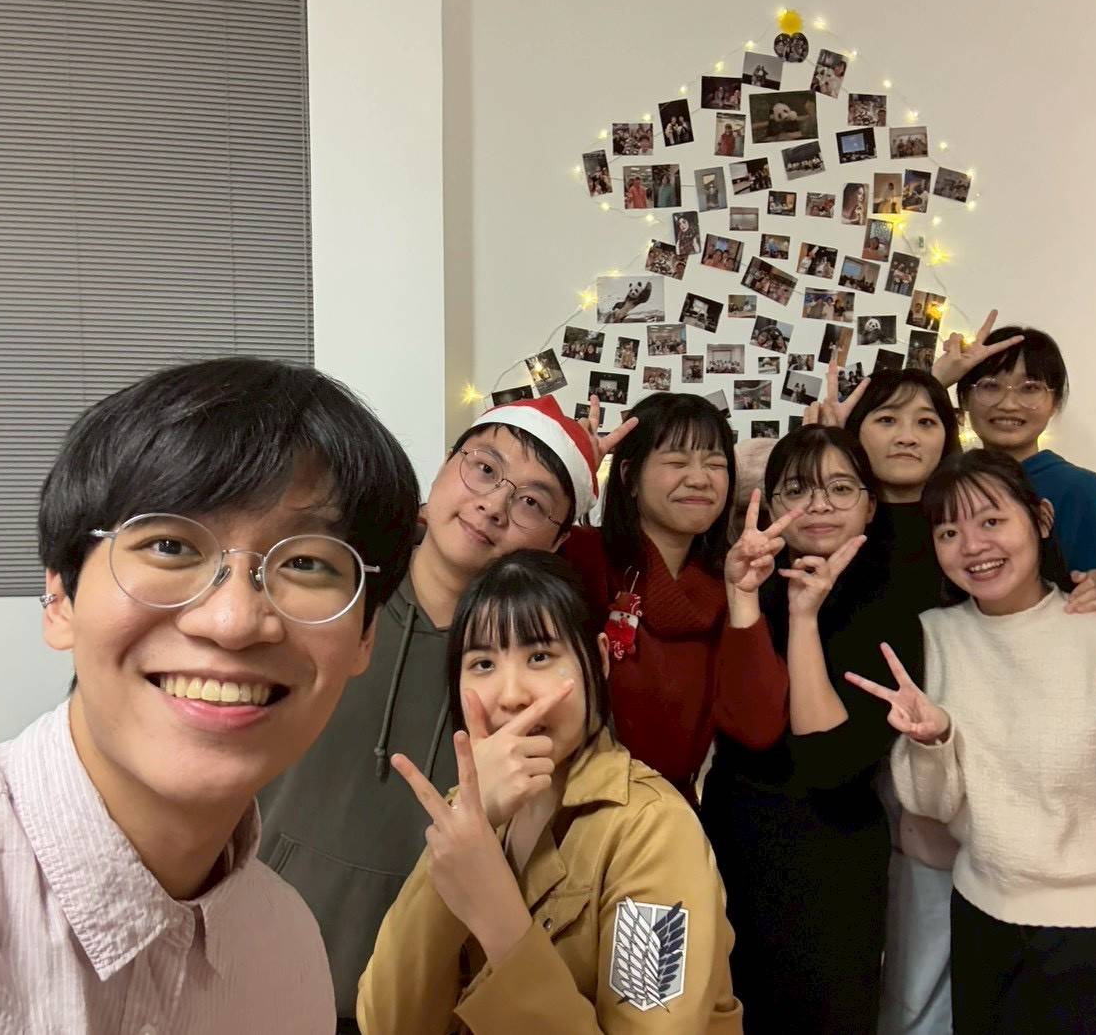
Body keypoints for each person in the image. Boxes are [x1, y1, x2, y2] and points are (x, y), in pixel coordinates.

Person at [0, 357, 420, 1033]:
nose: (233, 621)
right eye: (171, 546)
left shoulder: (287, 951)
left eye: (305, 563)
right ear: (60, 595)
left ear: (364, 637)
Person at [257, 393, 611, 1030]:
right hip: (253, 958)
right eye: (484, 468)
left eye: (532, 502)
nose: (494, 505)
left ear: (560, 541)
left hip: (412, 1000)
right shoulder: (327, 595)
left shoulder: (530, 680)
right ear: (446, 467)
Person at [849, 449, 1096, 1033]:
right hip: (982, 916)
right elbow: (931, 805)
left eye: (992, 521)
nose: (973, 546)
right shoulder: (933, 636)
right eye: (950, 532)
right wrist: (935, 740)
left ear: (1041, 520)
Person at [807, 363, 1096, 1034]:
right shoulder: (829, 524)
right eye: (886, 419)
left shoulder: (971, 531)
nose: (906, 435)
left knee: (957, 974)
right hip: (852, 785)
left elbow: (1045, 611)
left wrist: (1092, 592)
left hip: (973, 787)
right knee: (887, 975)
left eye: (926, 421)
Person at [357, 551, 743, 1032]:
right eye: (482, 663)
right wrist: (468, 831)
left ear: (598, 659)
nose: (511, 695)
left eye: (540, 657)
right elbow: (388, 1022)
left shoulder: (653, 829)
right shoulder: (473, 807)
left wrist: (497, 914)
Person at [703, 425, 925, 1032]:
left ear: (870, 505)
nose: (820, 504)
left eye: (841, 488)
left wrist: (805, 620)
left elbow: (829, 762)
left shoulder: (895, 605)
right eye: (799, 489)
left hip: (833, 858)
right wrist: (748, 600)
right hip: (736, 844)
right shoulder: (746, 584)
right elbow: (744, 729)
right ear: (773, 503)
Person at [562, 393, 789, 805]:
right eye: (677, 461)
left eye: (715, 464)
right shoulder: (580, 558)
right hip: (578, 813)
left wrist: (742, 596)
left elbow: (757, 726)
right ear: (629, 476)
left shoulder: (731, 579)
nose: (700, 479)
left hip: (672, 818)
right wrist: (569, 477)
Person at [948, 319, 1096, 612]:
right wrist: (939, 379)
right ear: (965, 398)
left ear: (1055, 402)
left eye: (1030, 388)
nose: (1008, 403)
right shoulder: (948, 483)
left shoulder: (1081, 490)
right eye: (991, 386)